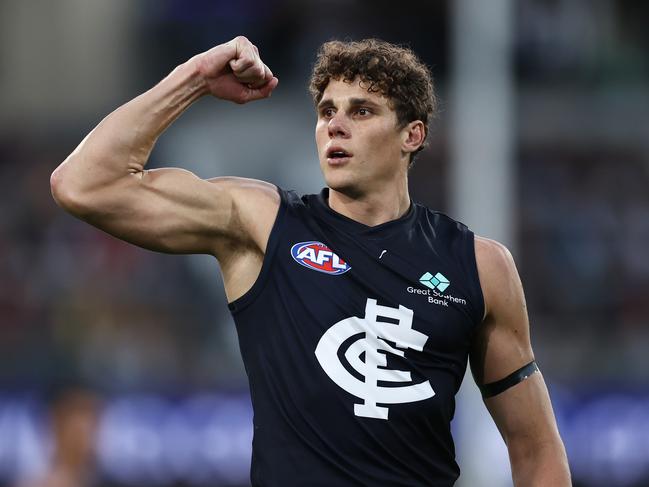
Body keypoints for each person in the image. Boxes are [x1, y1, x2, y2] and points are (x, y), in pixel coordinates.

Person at [50, 36, 571, 486]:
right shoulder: (263, 224)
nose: (335, 126)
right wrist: (195, 77)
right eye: (326, 111)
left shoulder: (479, 266)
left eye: (361, 111)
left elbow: (535, 448)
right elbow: (83, 185)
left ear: (412, 134)